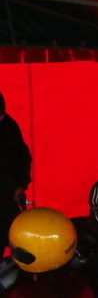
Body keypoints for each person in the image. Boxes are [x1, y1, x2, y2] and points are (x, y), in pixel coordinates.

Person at [0, 92, 31, 255]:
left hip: (6, 194)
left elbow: (23, 158)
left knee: (16, 238)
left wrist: (21, 184)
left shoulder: (9, 127)